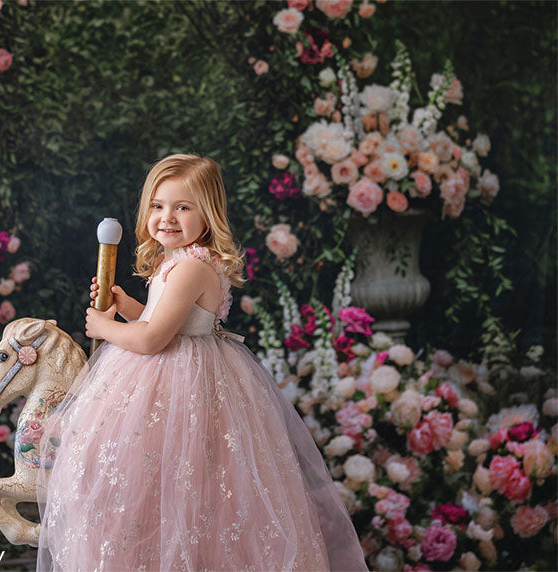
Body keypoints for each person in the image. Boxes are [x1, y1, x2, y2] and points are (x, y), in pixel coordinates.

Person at [35, 154, 368, 571]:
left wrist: (103, 328)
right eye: (158, 206)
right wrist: (127, 308)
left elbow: (155, 339)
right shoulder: (173, 263)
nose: (167, 217)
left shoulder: (193, 266)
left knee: (193, 484)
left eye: (183, 207)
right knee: (151, 484)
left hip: (184, 385)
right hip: (167, 374)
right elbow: (160, 322)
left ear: (208, 213)